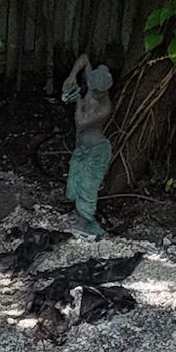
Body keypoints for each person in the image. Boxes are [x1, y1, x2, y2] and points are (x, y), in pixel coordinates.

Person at [59, 50, 115, 235]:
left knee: (88, 188)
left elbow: (81, 123)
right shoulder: (91, 83)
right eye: (94, 89)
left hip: (96, 150)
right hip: (82, 147)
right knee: (76, 184)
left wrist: (77, 100)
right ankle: (81, 218)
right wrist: (72, 76)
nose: (96, 94)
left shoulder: (105, 108)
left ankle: (87, 222)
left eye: (100, 92)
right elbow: (84, 58)